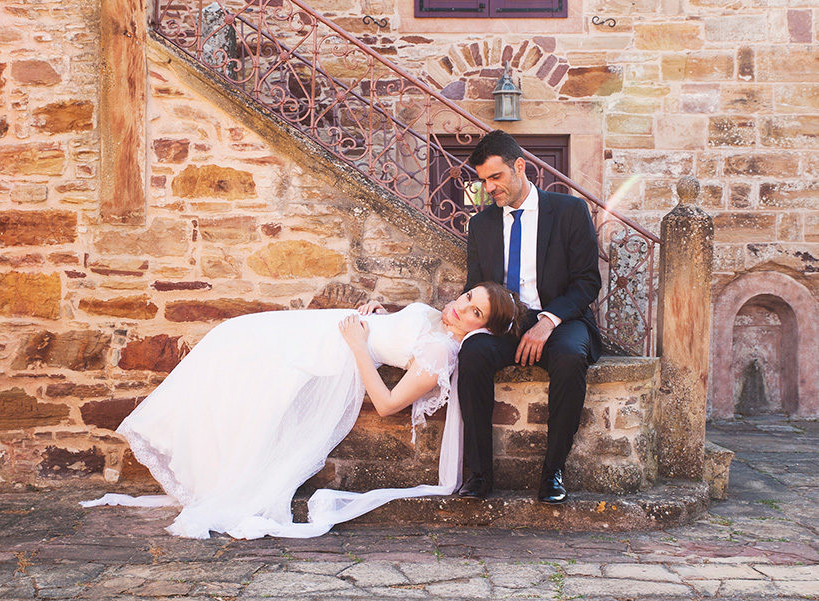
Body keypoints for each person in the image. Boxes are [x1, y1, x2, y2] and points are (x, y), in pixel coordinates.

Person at [83, 281, 526, 539]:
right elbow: (400, 329)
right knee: (231, 337)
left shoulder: (441, 354)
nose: (460, 306)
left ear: (481, 327)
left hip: (330, 346)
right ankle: (203, 460)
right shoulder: (438, 319)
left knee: (236, 350)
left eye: (473, 311)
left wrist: (359, 346)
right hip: (323, 328)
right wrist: (378, 316)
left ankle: (214, 473)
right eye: (468, 296)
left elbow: (389, 404)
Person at [457, 130, 602, 504]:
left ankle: (552, 470)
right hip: (505, 322)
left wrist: (548, 320)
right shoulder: (482, 224)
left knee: (571, 359)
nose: (489, 188)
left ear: (520, 167)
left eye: (496, 177)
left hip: (563, 319)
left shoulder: (569, 211)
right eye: (484, 180)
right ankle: (479, 474)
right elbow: (476, 285)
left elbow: (587, 283)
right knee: (470, 356)